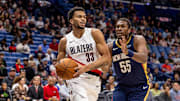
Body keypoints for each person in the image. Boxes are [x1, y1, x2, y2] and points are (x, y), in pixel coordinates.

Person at [57, 7, 110, 101]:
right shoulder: (65, 41)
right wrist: (66, 79)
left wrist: (85, 68)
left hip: (94, 79)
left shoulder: (95, 33)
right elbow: (59, 64)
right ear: (71, 21)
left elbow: (106, 57)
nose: (83, 19)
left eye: (84, 17)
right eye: (79, 17)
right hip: (75, 79)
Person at [107, 18, 149, 101]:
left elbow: (144, 58)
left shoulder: (137, 40)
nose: (119, 28)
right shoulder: (111, 46)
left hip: (139, 87)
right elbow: (103, 63)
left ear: (129, 30)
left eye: (122, 26)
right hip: (121, 87)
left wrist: (128, 52)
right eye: (117, 26)